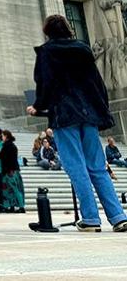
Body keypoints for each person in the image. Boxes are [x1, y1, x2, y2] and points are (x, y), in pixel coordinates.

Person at [27, 14, 127, 232]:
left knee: (76, 167)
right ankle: (118, 216)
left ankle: (91, 218)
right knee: (98, 168)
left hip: (64, 115)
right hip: (88, 113)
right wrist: (101, 109)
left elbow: (45, 83)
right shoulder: (83, 49)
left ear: (47, 31)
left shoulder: (47, 52)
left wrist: (38, 105)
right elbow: (97, 83)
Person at [0, 130, 26, 213]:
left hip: (10, 171)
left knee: (13, 189)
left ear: (6, 136)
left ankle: (20, 207)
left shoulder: (8, 146)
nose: (1, 137)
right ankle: (13, 206)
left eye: (2, 136)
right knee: (10, 190)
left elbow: (3, 157)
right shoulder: (11, 145)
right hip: (11, 170)